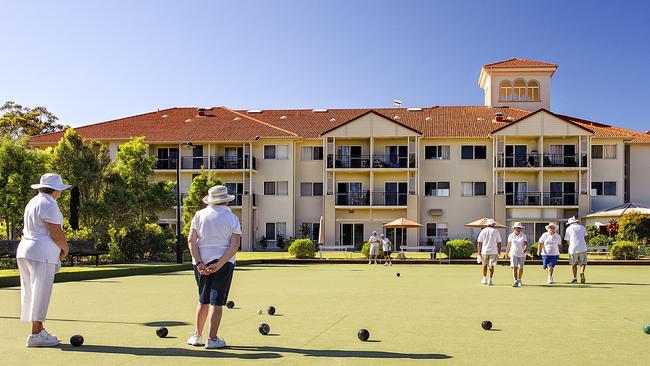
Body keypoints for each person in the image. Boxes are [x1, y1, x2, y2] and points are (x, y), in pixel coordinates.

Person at [16, 173, 70, 347]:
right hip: (42, 253)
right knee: (41, 292)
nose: (60, 193)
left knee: (31, 291)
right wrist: (65, 248)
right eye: (60, 190)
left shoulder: (33, 202)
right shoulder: (49, 204)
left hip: (25, 250)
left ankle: (39, 329)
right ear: (55, 190)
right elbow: (55, 233)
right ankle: (36, 334)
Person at [186, 185, 241, 349]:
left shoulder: (199, 215)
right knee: (216, 302)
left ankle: (197, 336)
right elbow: (235, 245)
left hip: (201, 263)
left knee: (203, 300)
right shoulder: (232, 218)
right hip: (224, 263)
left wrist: (199, 262)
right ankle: (212, 339)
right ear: (225, 200)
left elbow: (191, 241)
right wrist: (220, 263)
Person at [476, 219, 502, 285]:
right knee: (491, 265)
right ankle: (490, 279)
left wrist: (479, 253)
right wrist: (499, 252)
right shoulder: (496, 231)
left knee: (484, 265)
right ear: (492, 224)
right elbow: (499, 242)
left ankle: (484, 279)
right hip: (493, 251)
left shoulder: (483, 231)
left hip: (484, 251)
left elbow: (479, 242)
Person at [564, 216, 589, 284]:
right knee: (583, 262)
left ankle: (575, 278)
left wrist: (570, 245)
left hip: (572, 248)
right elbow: (586, 237)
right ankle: (581, 272)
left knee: (573, 264)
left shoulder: (568, 229)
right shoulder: (582, 227)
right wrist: (584, 243)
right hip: (582, 247)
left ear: (570, 223)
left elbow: (567, 240)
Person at [504, 222, 528, 287]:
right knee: (514, 267)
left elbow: (526, 244)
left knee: (521, 267)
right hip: (513, 253)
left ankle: (519, 279)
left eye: (520, 228)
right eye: (517, 228)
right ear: (514, 228)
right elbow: (508, 245)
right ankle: (515, 280)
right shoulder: (511, 236)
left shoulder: (524, 235)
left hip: (522, 254)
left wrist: (525, 249)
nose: (519, 229)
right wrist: (506, 253)